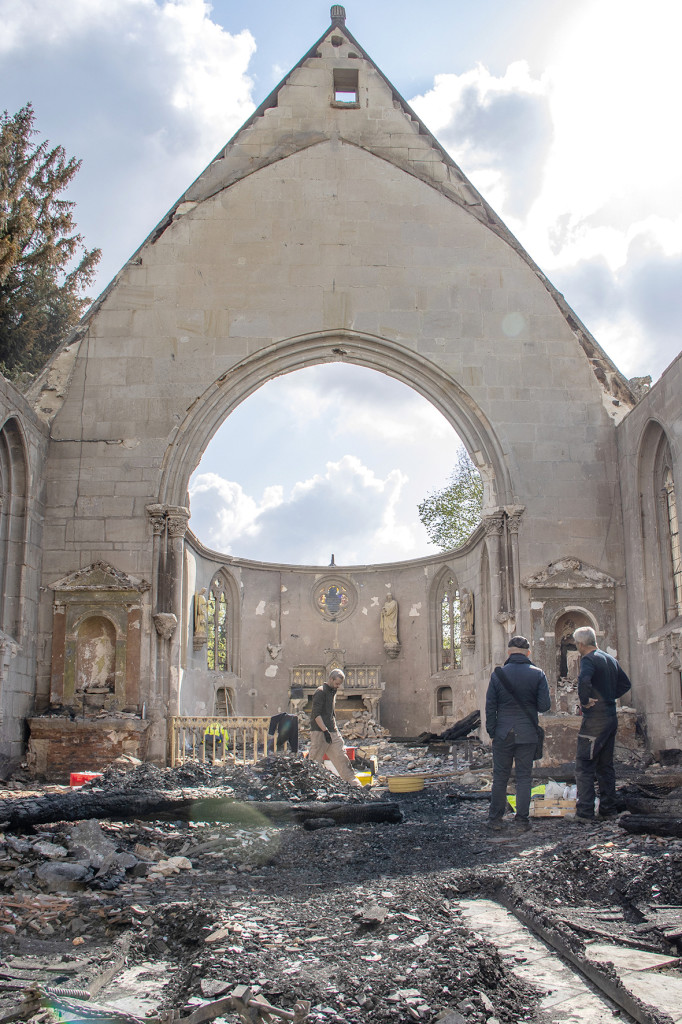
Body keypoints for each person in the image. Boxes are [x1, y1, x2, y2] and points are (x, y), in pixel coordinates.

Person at [485, 635, 551, 831]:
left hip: (503, 732)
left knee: (500, 777)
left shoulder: (498, 675)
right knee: (524, 777)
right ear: (528, 653)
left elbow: (490, 707)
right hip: (527, 733)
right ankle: (522, 820)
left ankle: (495, 820)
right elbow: (544, 706)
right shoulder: (538, 674)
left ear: (509, 652)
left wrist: (492, 731)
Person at [572, 626, 631, 822]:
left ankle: (585, 812)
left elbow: (584, 680)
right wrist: (607, 697)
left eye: (576, 644)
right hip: (610, 717)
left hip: (595, 721)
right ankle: (608, 809)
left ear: (581, 644)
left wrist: (585, 700)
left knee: (585, 764)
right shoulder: (609, 658)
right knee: (605, 765)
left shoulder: (588, 659)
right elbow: (625, 684)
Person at [309, 669, 361, 786]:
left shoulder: (333, 691)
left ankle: (355, 785)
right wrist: (325, 731)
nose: (338, 686)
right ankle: (311, 788)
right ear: (331, 679)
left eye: (339, 684)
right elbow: (316, 715)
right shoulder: (320, 692)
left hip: (332, 731)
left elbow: (330, 713)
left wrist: (332, 730)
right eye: (337, 683)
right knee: (314, 762)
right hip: (319, 732)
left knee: (342, 758)